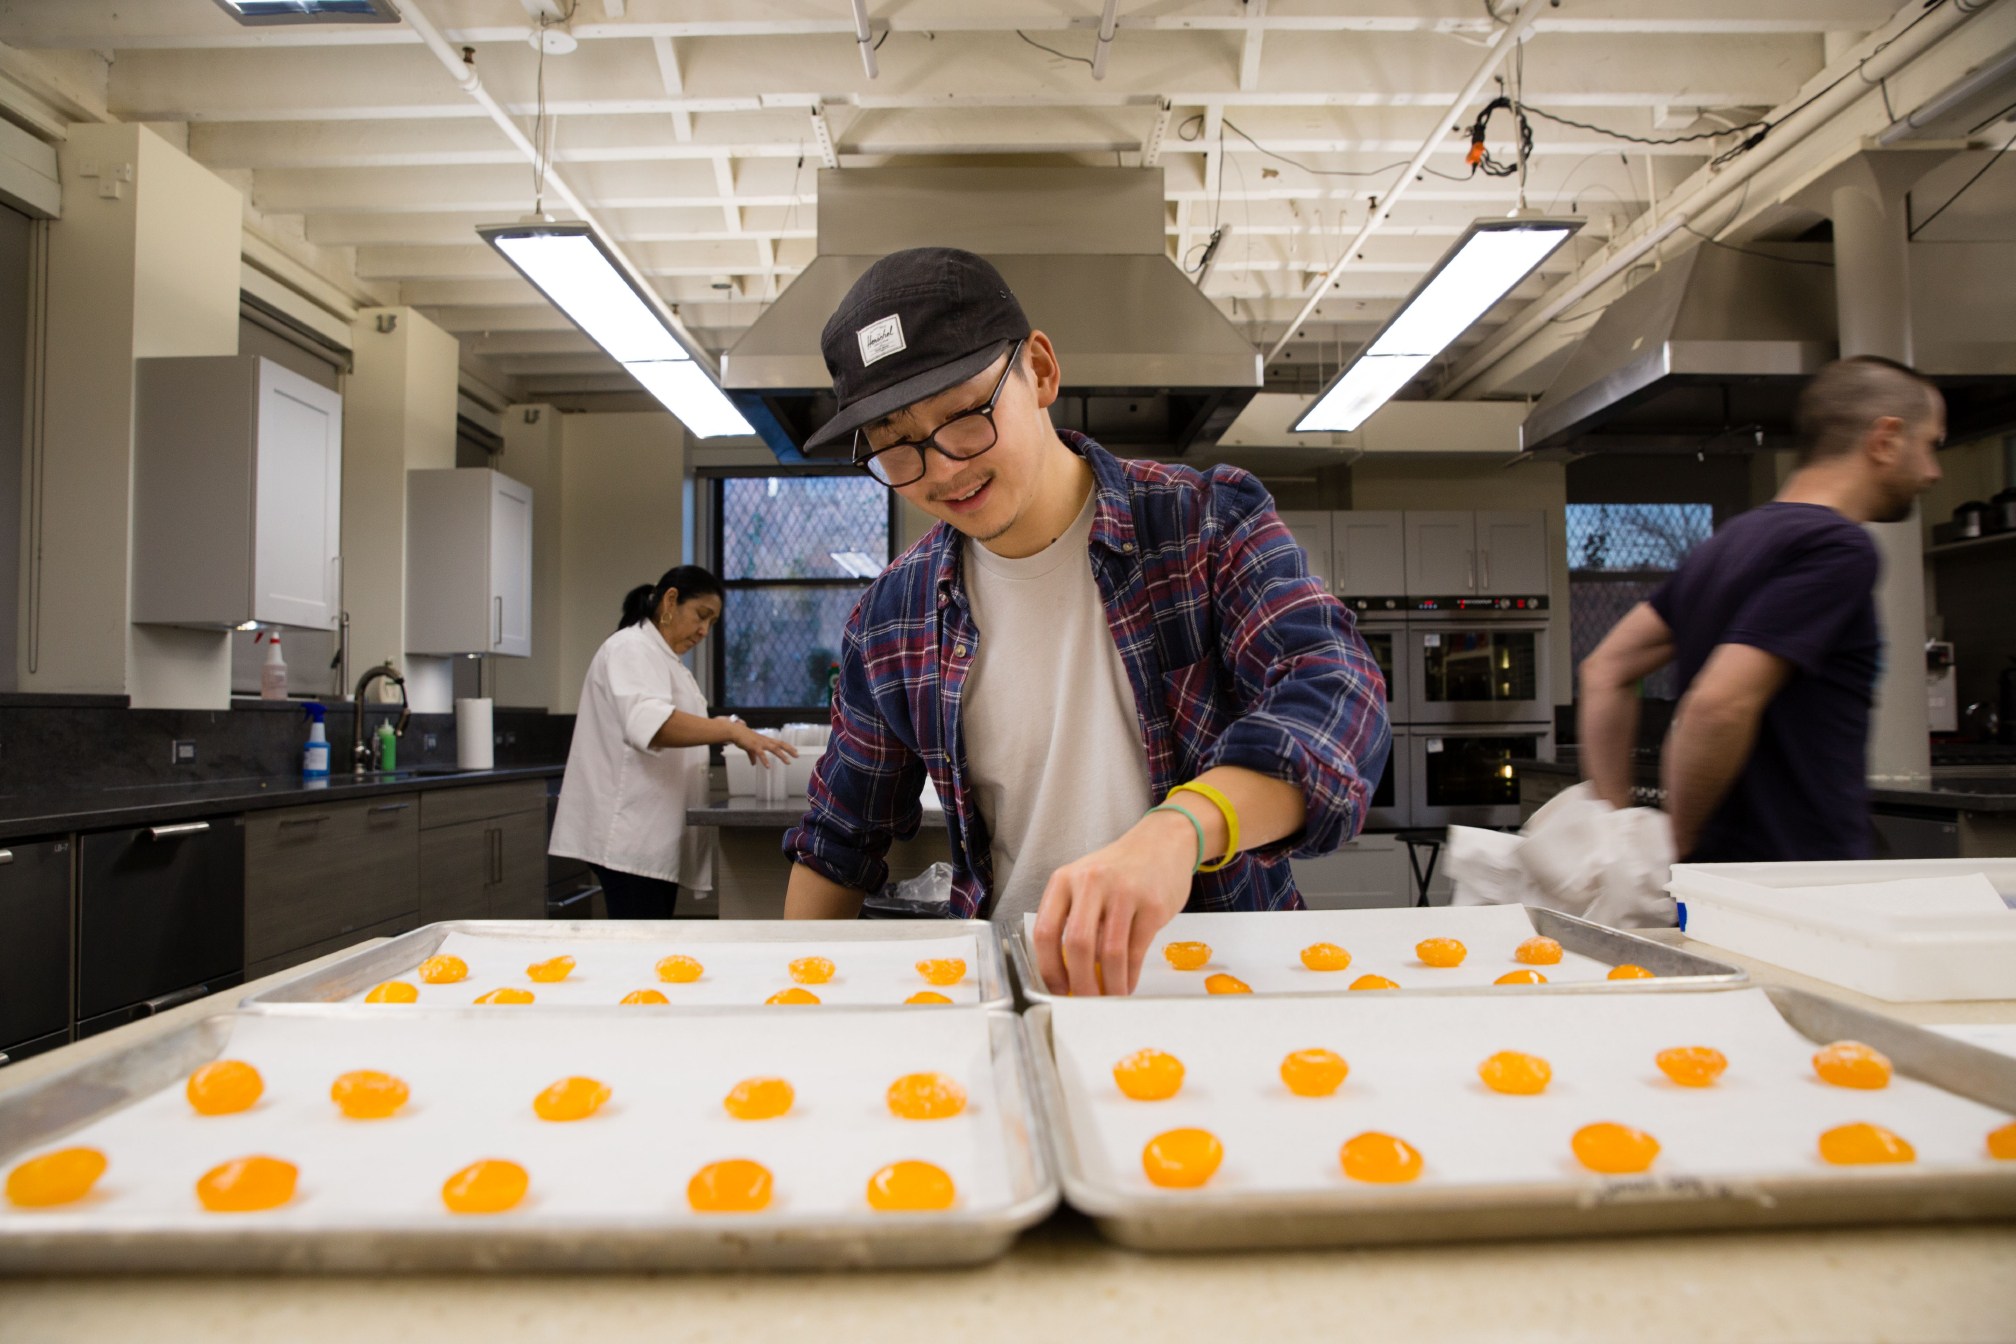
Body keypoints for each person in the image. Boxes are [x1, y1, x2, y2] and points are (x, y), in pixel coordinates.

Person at [780, 247, 1390, 994]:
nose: (940, 469)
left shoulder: (1202, 526)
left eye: (964, 417)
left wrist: (1180, 830)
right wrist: (795, 1008)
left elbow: (1339, 698)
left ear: (1039, 371)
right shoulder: (892, 620)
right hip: (1020, 993)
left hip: (1219, 981)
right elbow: (837, 842)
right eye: (896, 446)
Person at [1578, 355, 1945, 863]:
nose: (1933, 472)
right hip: (1799, 884)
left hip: (1728, 885)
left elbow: (1605, 670)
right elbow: (1718, 705)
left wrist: (1615, 832)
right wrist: (1677, 845)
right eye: (1930, 446)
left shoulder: (1728, 543)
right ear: (1884, 440)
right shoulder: (1837, 546)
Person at [551, 565, 796, 918]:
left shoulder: (663, 658)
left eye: (711, 623)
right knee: (639, 951)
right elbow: (652, 725)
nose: (703, 631)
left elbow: (671, 719)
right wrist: (730, 731)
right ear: (670, 600)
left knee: (649, 946)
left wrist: (724, 725)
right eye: (701, 615)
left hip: (647, 835)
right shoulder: (631, 648)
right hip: (628, 835)